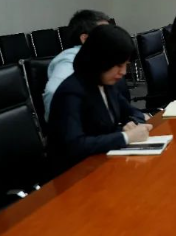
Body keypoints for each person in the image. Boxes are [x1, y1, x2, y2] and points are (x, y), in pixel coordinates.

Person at [47, 25, 151, 171]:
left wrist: (132, 123)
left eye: (126, 65)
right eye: (118, 65)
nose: (123, 72)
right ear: (100, 60)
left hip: (103, 161)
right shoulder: (71, 92)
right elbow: (74, 145)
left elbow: (133, 112)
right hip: (74, 172)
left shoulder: (106, 83)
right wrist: (126, 137)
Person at [43, 10, 130, 122]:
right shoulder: (69, 59)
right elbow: (54, 91)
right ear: (85, 39)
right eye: (104, 35)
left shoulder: (102, 61)